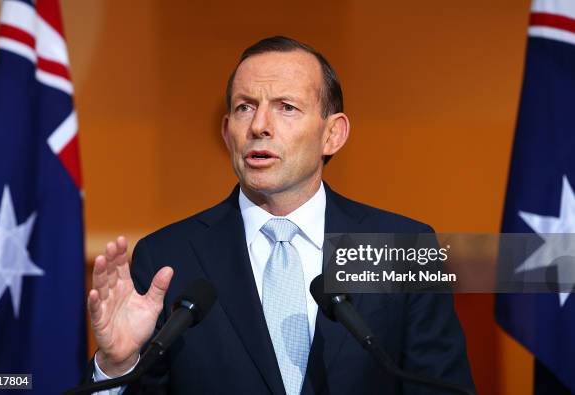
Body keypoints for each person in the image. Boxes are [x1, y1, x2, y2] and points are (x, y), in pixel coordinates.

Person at [86, 36, 475, 394]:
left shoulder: (398, 248)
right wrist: (118, 366)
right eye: (244, 108)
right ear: (227, 132)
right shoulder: (166, 257)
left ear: (333, 134)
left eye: (286, 108)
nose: (259, 126)